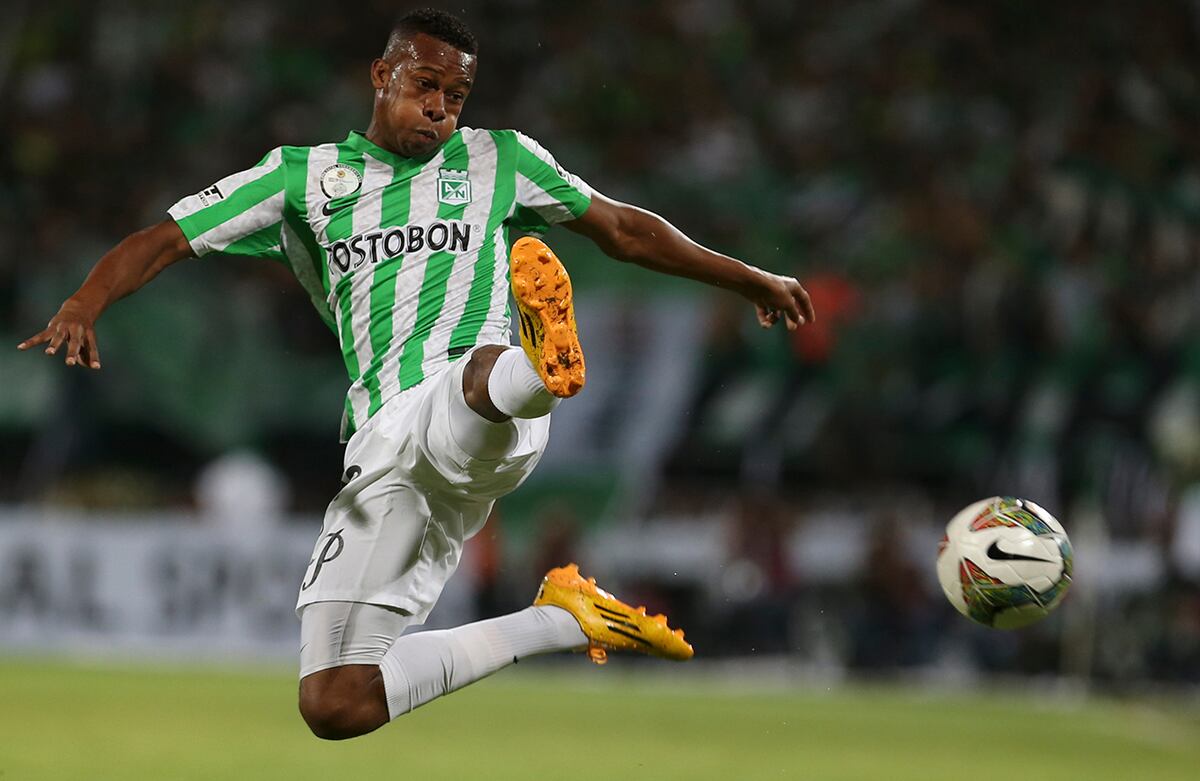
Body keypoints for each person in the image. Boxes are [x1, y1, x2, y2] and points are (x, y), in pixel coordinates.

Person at [18, 8, 815, 740]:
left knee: (472, 381)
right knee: (334, 701)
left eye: (456, 95)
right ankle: (561, 618)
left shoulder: (499, 159)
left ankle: (540, 363)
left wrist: (750, 277)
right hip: (382, 447)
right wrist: (87, 301)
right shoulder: (304, 177)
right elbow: (167, 236)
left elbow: (627, 231)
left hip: (482, 400)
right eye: (425, 85)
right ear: (381, 76)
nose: (440, 107)